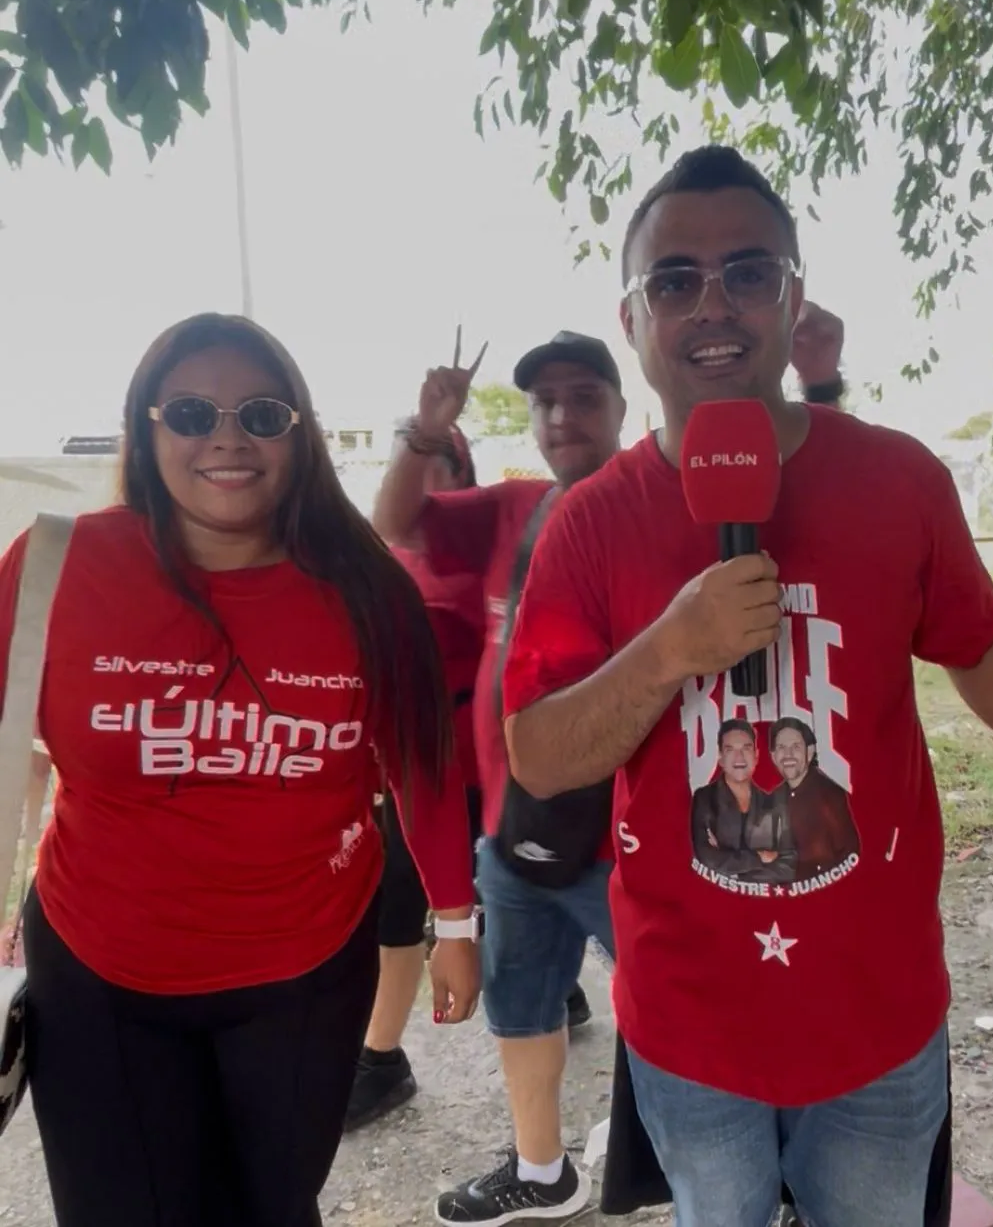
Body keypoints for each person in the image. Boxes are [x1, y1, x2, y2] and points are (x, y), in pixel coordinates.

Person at [501, 144, 993, 1227]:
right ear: (633, 319)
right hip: (688, 1026)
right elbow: (541, 753)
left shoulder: (899, 477)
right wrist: (672, 648)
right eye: (674, 279)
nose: (712, 303)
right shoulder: (586, 521)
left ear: (793, 298)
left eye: (748, 271)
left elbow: (981, 640)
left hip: (879, 1017)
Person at [0, 312, 479, 1227]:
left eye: (261, 414)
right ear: (147, 427)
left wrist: (452, 920)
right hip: (99, 968)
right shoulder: (59, 562)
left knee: (270, 1208)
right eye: (189, 411)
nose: (225, 435)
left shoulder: (367, 590)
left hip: (301, 972)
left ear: (298, 436)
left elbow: (421, 766)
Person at [374, 330, 626, 1225]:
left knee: (691, 1013)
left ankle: (740, 1175)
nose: (562, 415)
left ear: (622, 405)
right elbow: (394, 526)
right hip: (515, 830)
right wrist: (425, 430)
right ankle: (541, 1169)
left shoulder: (662, 506)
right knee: (520, 1007)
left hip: (632, 838)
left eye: (584, 395)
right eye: (544, 400)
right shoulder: (510, 509)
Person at [347, 426, 483, 1128]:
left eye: (432, 469)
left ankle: (379, 1058)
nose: (417, 486)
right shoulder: (383, 564)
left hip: (493, 767)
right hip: (418, 768)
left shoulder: (493, 553)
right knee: (395, 903)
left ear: (462, 477)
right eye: (406, 469)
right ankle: (380, 1055)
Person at [690, 717, 795, 885]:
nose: (739, 757)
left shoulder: (772, 804)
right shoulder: (705, 799)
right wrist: (759, 857)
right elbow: (707, 859)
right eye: (730, 749)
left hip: (764, 905)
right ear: (720, 757)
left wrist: (732, 872)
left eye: (746, 749)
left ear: (756, 755)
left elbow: (790, 867)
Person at [768, 718, 859, 884]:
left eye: (795, 747)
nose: (788, 754)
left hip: (827, 897)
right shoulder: (773, 799)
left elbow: (850, 854)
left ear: (809, 753)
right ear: (773, 756)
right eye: (781, 747)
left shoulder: (830, 794)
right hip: (783, 898)